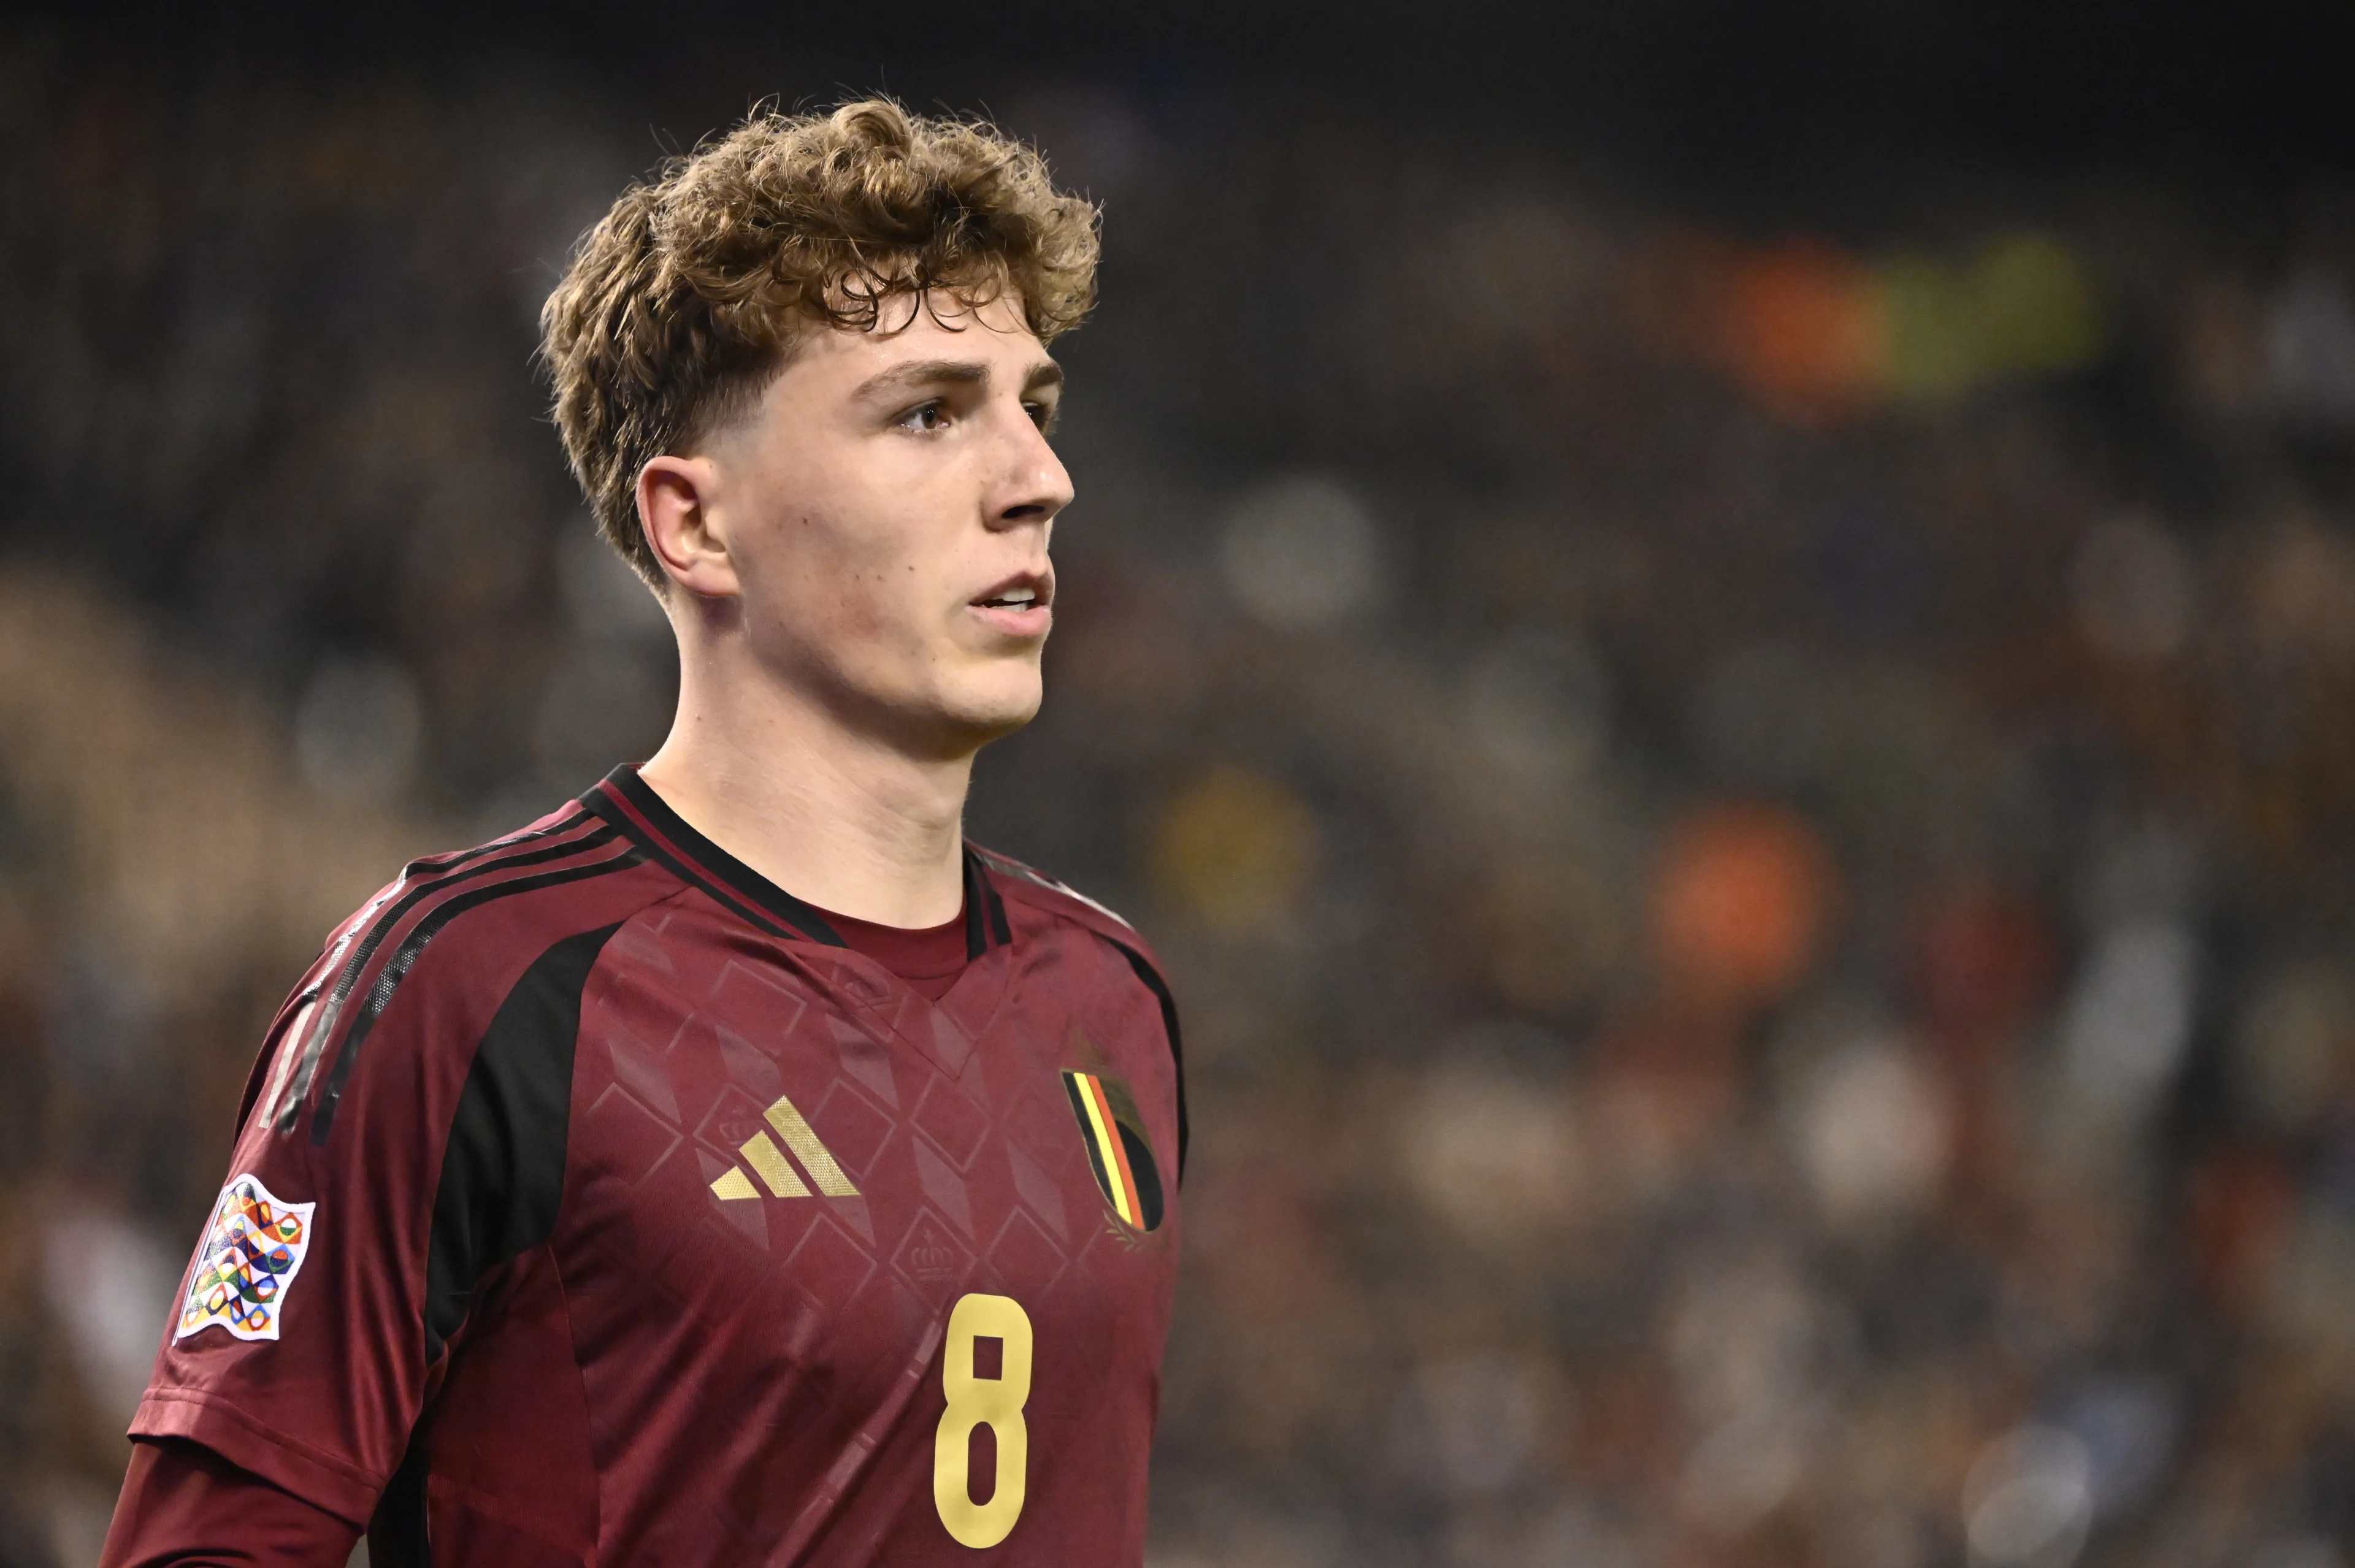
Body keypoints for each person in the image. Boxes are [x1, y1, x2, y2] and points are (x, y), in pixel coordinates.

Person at [99, 98, 1184, 1568]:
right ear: (695, 526)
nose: (1038, 479)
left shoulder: (1109, 1001)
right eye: (930, 411)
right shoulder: (471, 986)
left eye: (1033, 408)